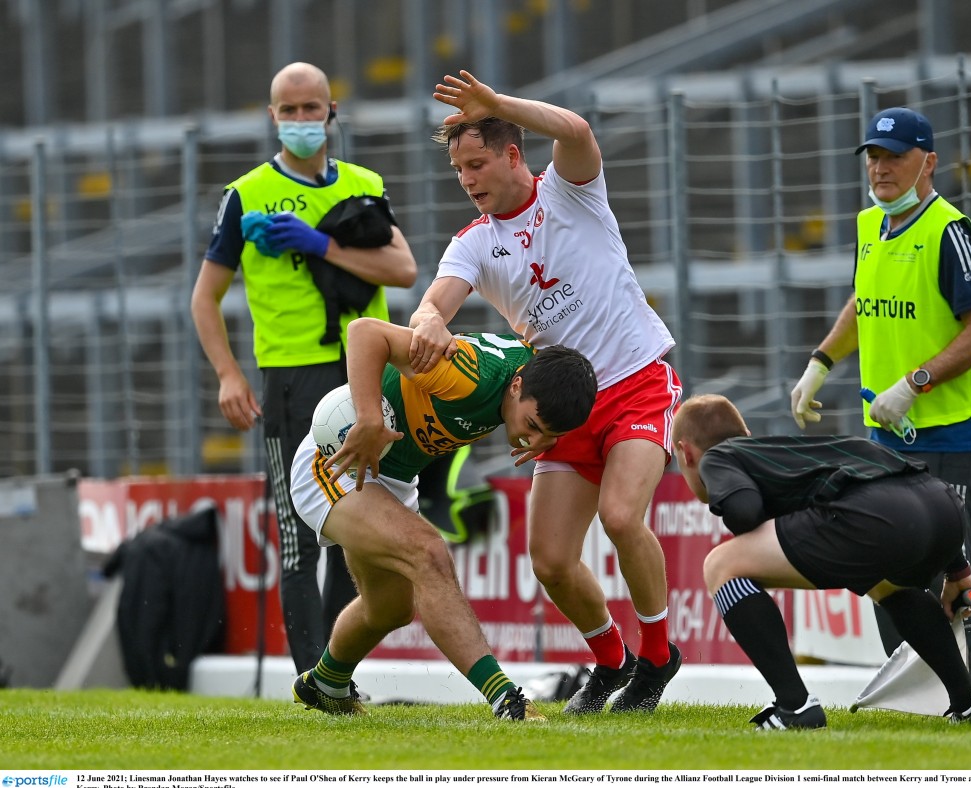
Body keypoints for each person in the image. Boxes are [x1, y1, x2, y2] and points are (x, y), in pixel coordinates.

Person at [408, 70, 683, 714]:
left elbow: (578, 129)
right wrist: (425, 322)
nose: (469, 179)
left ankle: (657, 655)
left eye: (477, 163)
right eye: (458, 171)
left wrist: (498, 104)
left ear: (512, 154)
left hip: (636, 382)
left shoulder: (572, 192)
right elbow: (436, 300)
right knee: (552, 562)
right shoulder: (473, 244)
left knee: (620, 518)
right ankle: (611, 661)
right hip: (559, 409)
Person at [190, 62, 418, 675]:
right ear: (272, 117)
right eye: (287, 111)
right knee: (297, 536)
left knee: (356, 527)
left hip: (362, 375)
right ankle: (307, 679)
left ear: (331, 110)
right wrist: (229, 375)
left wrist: (320, 245)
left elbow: (403, 270)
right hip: (289, 377)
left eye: (310, 109)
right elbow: (203, 298)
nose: (300, 121)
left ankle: (334, 675)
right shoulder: (246, 194)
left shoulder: (365, 182)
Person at [789, 107, 971, 692]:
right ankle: (915, 694)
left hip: (948, 430)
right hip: (887, 434)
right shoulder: (871, 225)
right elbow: (867, 300)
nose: (881, 168)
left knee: (950, 571)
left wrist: (914, 385)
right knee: (886, 560)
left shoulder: (948, 230)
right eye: (874, 156)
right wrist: (821, 362)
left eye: (896, 156)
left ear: (928, 163)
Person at [289, 317, 597, 719]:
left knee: (390, 609)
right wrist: (368, 418)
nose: (533, 441)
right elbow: (364, 332)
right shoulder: (465, 373)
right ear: (517, 385)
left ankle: (325, 683)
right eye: (532, 426)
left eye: (547, 438)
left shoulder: (540, 377)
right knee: (430, 553)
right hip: (334, 463)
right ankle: (506, 699)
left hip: (390, 477)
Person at [671, 394, 971, 730]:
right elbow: (896, 480)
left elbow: (745, 512)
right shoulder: (797, 449)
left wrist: (744, 511)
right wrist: (958, 569)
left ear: (686, 452)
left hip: (877, 516)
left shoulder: (719, 458)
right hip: (943, 508)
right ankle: (970, 699)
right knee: (886, 585)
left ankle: (795, 707)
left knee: (721, 565)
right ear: (748, 434)